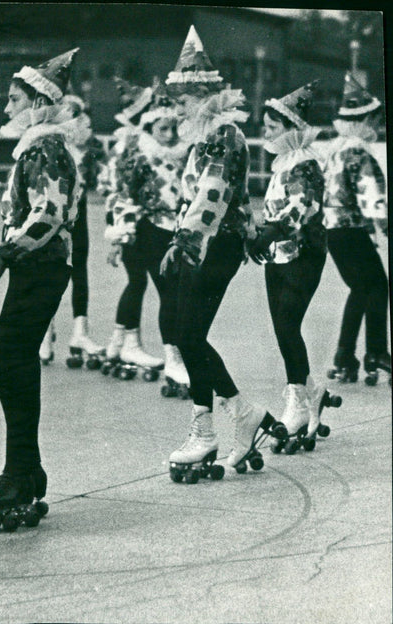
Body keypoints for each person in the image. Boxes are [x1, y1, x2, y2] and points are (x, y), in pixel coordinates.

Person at [160, 26, 286, 483]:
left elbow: (213, 195)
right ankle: (232, 416)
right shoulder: (211, 136)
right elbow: (221, 196)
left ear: (203, 96)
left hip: (214, 245)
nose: (177, 108)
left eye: (182, 100)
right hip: (210, 243)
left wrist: (183, 240)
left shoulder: (223, 134)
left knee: (188, 334)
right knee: (186, 332)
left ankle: (219, 423)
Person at [0, 49, 81, 526]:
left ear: (38, 101)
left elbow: (49, 213)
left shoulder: (46, 149)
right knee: (12, 360)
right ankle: (25, 467)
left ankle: (23, 469)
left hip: (42, 267)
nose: (5, 109)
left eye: (13, 99)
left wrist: (7, 251)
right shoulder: (39, 147)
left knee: (7, 359)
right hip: (36, 268)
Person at [255, 82, 342, 453]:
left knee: (288, 325)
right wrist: (259, 236)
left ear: (291, 128)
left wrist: (268, 233)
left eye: (272, 126)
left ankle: (299, 406)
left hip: (303, 255)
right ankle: (312, 392)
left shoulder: (305, 163)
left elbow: (302, 207)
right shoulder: (282, 163)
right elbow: (275, 208)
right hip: (279, 254)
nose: (265, 132)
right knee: (282, 329)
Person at [100, 80, 191, 392]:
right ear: (150, 127)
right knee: (164, 289)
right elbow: (124, 197)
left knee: (167, 290)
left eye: (173, 129)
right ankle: (170, 357)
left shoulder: (181, 157)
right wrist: (118, 237)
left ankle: (126, 344)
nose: (168, 135)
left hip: (172, 229)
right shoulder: (140, 157)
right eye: (162, 129)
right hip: (147, 230)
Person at [322, 72, 389, 386]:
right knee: (376, 286)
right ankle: (375, 352)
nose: (375, 127)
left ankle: (346, 356)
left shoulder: (336, 150)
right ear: (361, 121)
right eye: (373, 121)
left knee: (363, 289)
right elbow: (370, 192)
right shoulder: (359, 153)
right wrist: (384, 225)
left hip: (334, 230)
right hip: (351, 229)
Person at [38, 93, 106, 370]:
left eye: (76, 116)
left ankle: (80, 330)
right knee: (52, 273)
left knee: (80, 270)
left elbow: (100, 175)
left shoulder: (86, 149)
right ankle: (45, 330)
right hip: (56, 218)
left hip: (79, 216)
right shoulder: (50, 147)